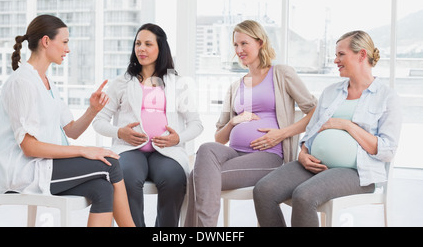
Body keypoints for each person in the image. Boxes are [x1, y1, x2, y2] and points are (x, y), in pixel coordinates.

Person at [0, 14, 135, 227]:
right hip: (27, 171)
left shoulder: (47, 82)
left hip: (46, 165)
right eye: (65, 42)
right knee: (111, 164)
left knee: (103, 188)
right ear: (46, 41)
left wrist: (93, 110)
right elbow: (29, 147)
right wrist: (83, 150)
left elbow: (71, 130)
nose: (68, 49)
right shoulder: (22, 82)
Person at [253, 30, 402, 227]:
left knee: (304, 196)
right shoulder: (331, 92)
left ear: (362, 55)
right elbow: (312, 131)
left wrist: (347, 125)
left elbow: (387, 151)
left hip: (356, 172)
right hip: (314, 164)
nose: (335, 60)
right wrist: (303, 153)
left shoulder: (387, 97)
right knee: (263, 190)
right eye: (336, 55)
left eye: (341, 54)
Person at [184, 20, 317, 227]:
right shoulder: (235, 87)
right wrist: (233, 122)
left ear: (260, 42)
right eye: (236, 45)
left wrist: (281, 134)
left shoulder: (281, 74)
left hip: (268, 156)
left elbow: (315, 111)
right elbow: (219, 138)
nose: (239, 50)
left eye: (244, 43)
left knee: (196, 177)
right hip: (234, 153)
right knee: (206, 148)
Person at [93, 23, 203, 227]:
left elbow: (196, 124)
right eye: (138, 43)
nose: (141, 48)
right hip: (129, 151)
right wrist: (120, 132)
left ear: (160, 48)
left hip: (166, 151)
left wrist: (178, 138)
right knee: (125, 178)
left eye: (148, 44)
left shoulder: (177, 84)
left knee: (174, 179)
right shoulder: (122, 82)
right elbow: (98, 122)